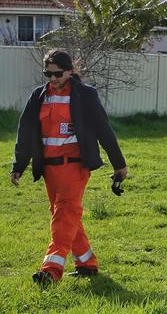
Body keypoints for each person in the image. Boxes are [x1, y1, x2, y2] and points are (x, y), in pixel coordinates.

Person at [9, 49, 128, 287]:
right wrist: (19, 165)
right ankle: (87, 264)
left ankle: (51, 271)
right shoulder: (38, 96)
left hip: (75, 167)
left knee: (64, 215)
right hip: (49, 170)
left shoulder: (85, 95)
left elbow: (104, 130)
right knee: (66, 215)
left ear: (70, 71)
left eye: (58, 73)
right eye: (48, 73)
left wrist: (119, 164)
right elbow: (26, 132)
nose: (52, 78)